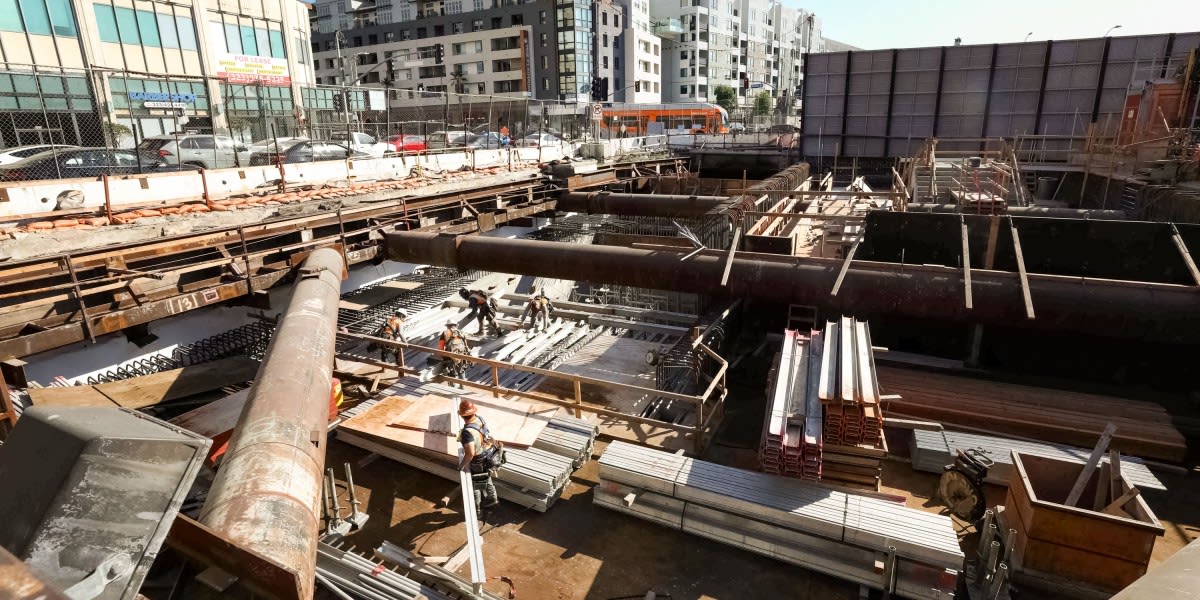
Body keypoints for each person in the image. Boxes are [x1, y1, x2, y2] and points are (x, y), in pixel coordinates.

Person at [457, 399, 501, 518]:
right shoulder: (480, 418)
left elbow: (470, 453)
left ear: (462, 416)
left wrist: (461, 466)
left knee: (476, 485)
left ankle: (476, 510)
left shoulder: (467, 432)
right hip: (489, 454)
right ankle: (493, 501)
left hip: (478, 460)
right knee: (486, 478)